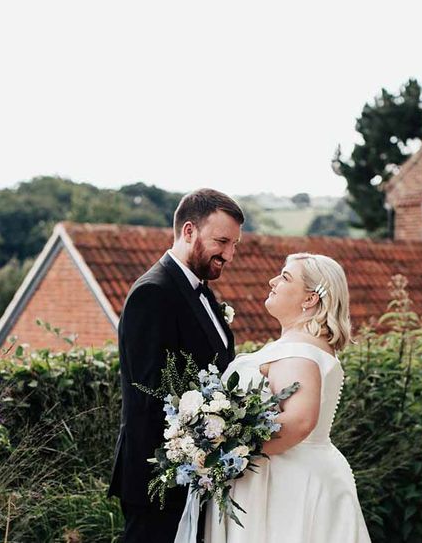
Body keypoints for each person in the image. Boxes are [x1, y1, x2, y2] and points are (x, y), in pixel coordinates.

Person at [196, 252, 371, 543]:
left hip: (285, 487)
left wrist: (223, 448)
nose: (273, 281)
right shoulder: (299, 345)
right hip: (285, 477)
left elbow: (299, 421)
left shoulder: (299, 351)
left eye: (286, 277)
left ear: (310, 299)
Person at [108, 188, 245, 543]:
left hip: (196, 477)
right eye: (221, 241)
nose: (229, 254)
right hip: (159, 481)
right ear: (188, 231)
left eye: (234, 245)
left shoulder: (203, 292)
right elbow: (149, 395)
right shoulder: (152, 293)